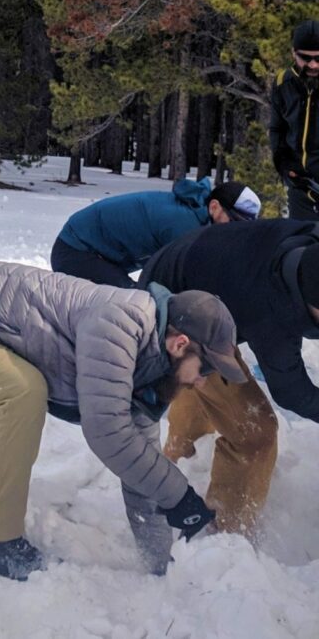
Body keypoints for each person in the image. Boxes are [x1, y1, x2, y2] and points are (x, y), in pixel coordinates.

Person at [0, 261, 246, 581]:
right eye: (207, 368)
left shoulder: (150, 367)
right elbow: (107, 432)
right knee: (21, 393)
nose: (203, 381)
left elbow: (139, 463)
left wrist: (161, 564)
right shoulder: (121, 321)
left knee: (2, 412)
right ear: (180, 343)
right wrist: (179, 494)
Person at [135, 218, 319, 536]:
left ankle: (177, 456)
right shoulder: (269, 311)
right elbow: (292, 392)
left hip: (203, 267)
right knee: (255, 431)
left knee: (205, 388)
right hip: (174, 304)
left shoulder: (309, 249)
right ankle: (226, 532)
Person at [51, 179, 261, 287]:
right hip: (76, 250)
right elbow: (170, 278)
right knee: (132, 305)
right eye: (234, 221)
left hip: (99, 253)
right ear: (214, 207)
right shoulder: (184, 225)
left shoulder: (197, 214)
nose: (237, 230)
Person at [270, 19, 319, 220]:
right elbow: (277, 128)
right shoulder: (284, 82)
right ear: (294, 53)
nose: (314, 65)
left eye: (318, 58)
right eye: (305, 58)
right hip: (299, 187)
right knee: (302, 247)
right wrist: (283, 164)